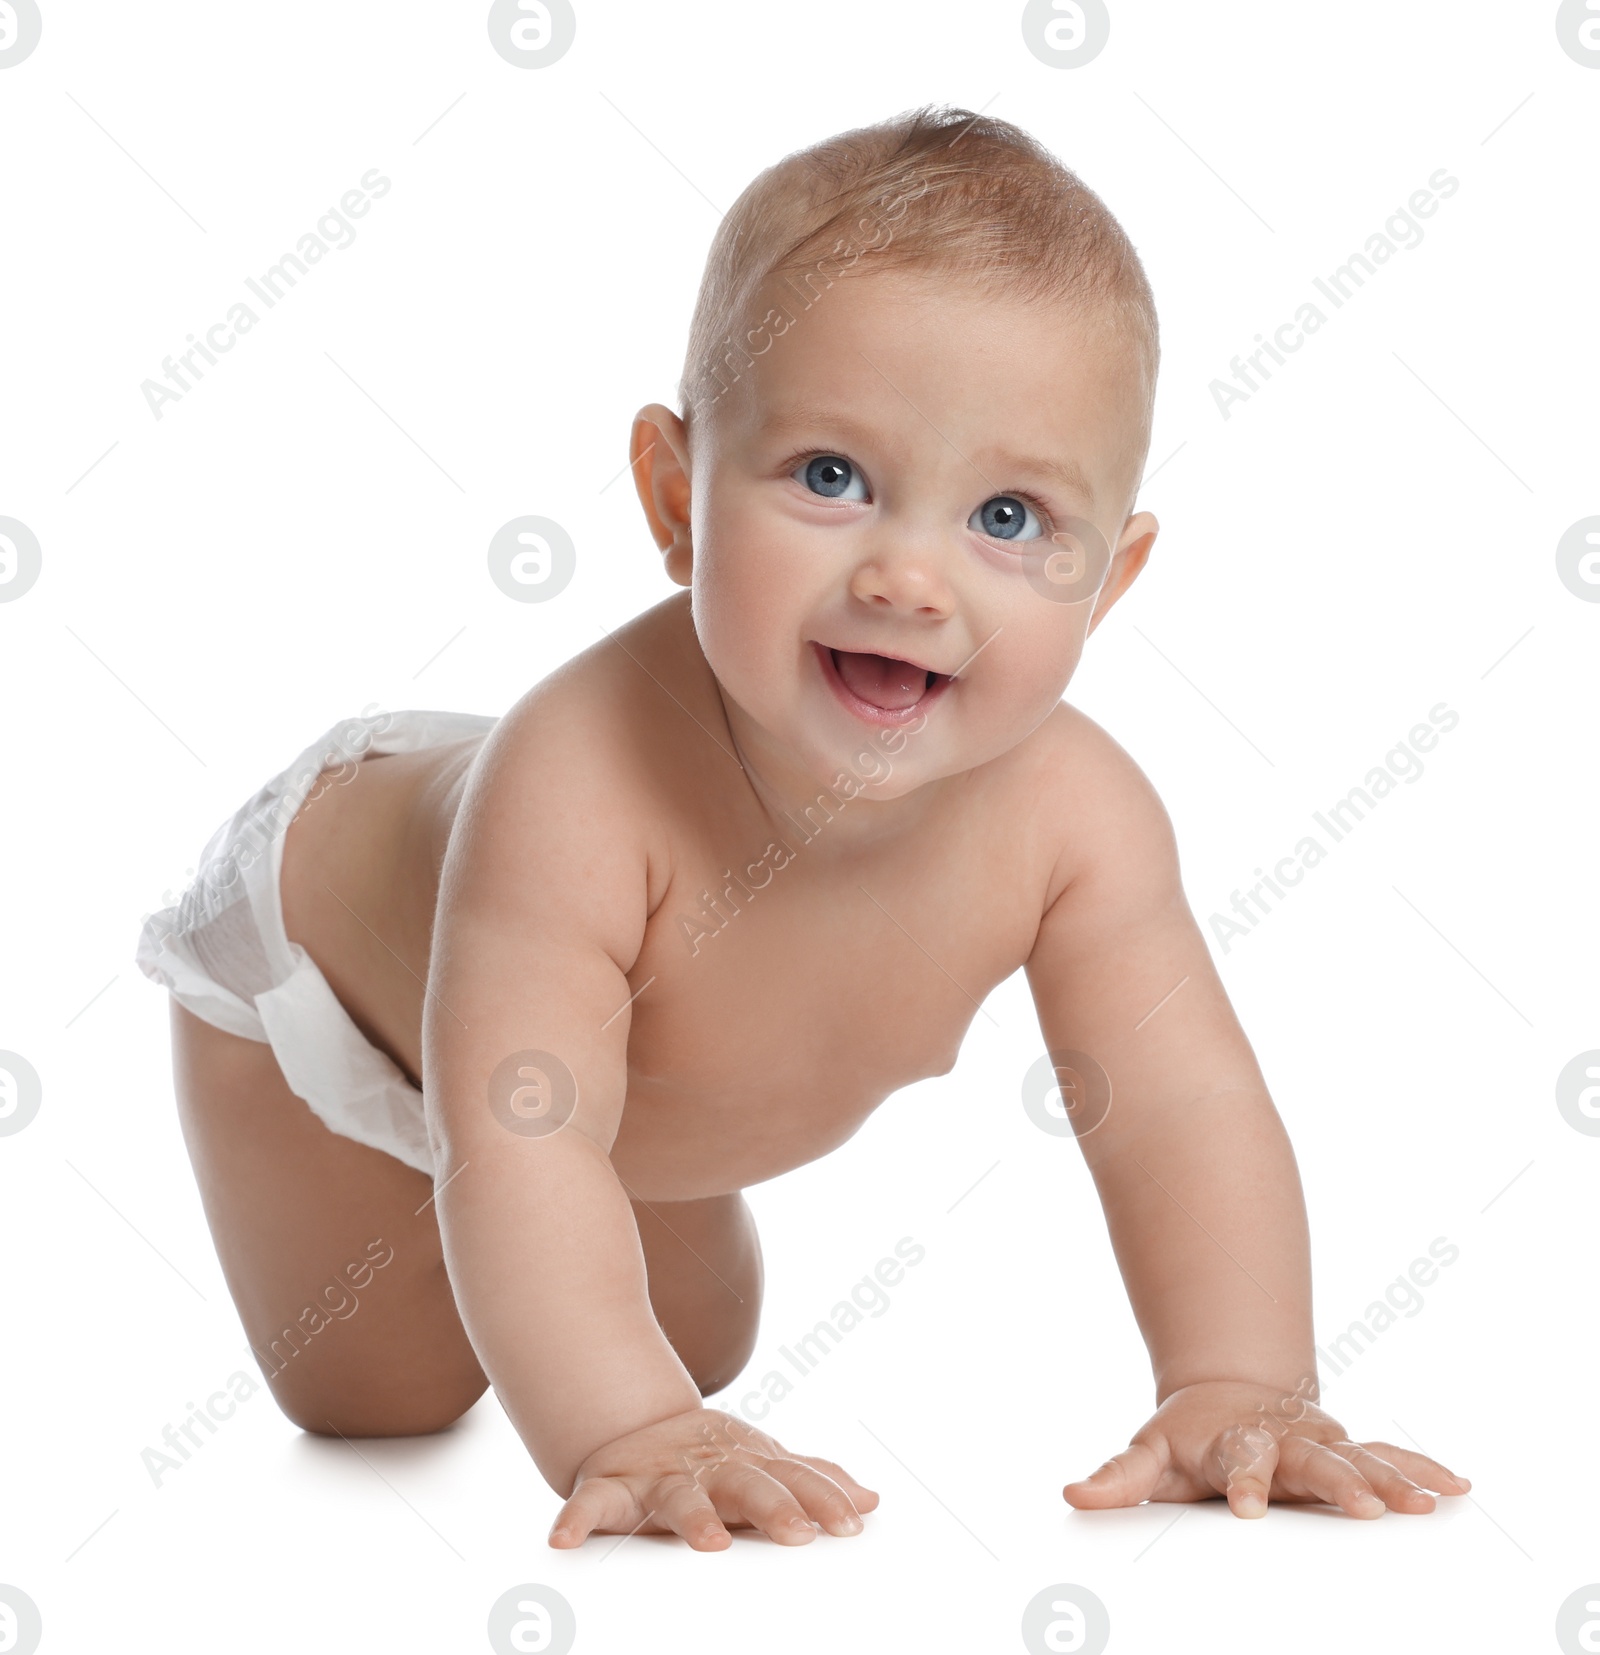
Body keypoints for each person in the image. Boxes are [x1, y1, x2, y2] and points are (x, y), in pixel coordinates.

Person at [136, 104, 1469, 1550]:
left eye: (1011, 518)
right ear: (675, 499)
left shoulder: (1076, 819)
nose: (908, 576)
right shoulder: (578, 791)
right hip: (328, 972)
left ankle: (606, 1313)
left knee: (698, 1339)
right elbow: (523, 1135)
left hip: (606, 1079)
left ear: (1114, 575)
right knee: (386, 1395)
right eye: (832, 478)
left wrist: (1245, 1382)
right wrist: (623, 1430)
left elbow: (1178, 1107)